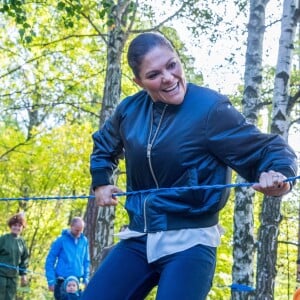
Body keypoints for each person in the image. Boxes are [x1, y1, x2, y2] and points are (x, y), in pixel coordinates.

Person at [82, 32, 298, 300]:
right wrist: (101, 180)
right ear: (138, 81)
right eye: (154, 74)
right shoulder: (128, 111)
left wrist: (280, 175)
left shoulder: (210, 108)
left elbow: (267, 148)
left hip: (191, 240)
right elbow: (103, 144)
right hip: (139, 235)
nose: (169, 78)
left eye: (172, 65)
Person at [45, 217, 90, 300]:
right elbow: (50, 260)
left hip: (76, 282)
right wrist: (51, 280)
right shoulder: (61, 240)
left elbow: (86, 261)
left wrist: (86, 278)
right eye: (77, 230)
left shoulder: (84, 241)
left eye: (81, 230)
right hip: (61, 281)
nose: (79, 233)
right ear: (71, 226)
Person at [0, 213, 29, 300]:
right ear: (10, 226)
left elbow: (24, 259)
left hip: (13, 276)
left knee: (10, 298)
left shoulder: (22, 242)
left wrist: (23, 274)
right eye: (14, 225)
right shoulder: (3, 239)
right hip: (1, 274)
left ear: (22, 227)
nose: (17, 227)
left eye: (19, 225)